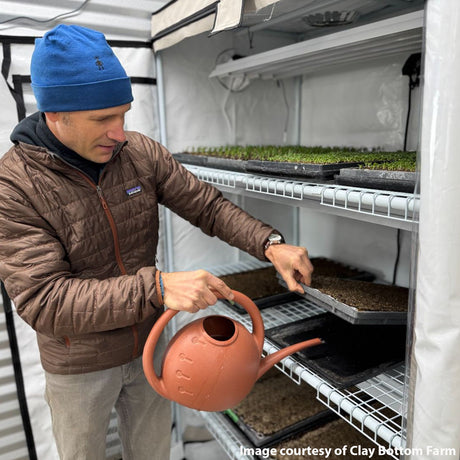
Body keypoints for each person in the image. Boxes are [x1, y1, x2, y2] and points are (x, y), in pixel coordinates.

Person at [0, 24, 313, 460]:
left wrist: (269, 242)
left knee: (151, 452)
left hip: (150, 343)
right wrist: (159, 288)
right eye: (102, 119)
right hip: (78, 365)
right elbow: (44, 300)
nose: (119, 133)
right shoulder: (14, 186)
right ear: (55, 114)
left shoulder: (140, 155)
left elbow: (206, 206)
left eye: (123, 114)